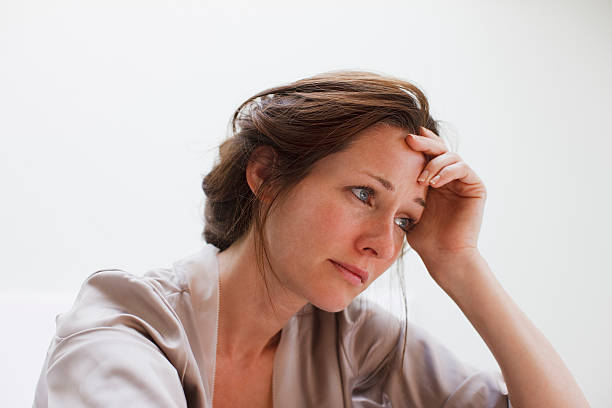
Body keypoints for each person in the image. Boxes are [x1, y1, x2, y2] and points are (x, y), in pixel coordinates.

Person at [33, 71, 589, 407]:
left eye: (405, 221)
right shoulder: (125, 324)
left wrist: (459, 262)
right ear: (266, 175)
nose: (383, 245)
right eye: (365, 194)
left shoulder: (351, 337)